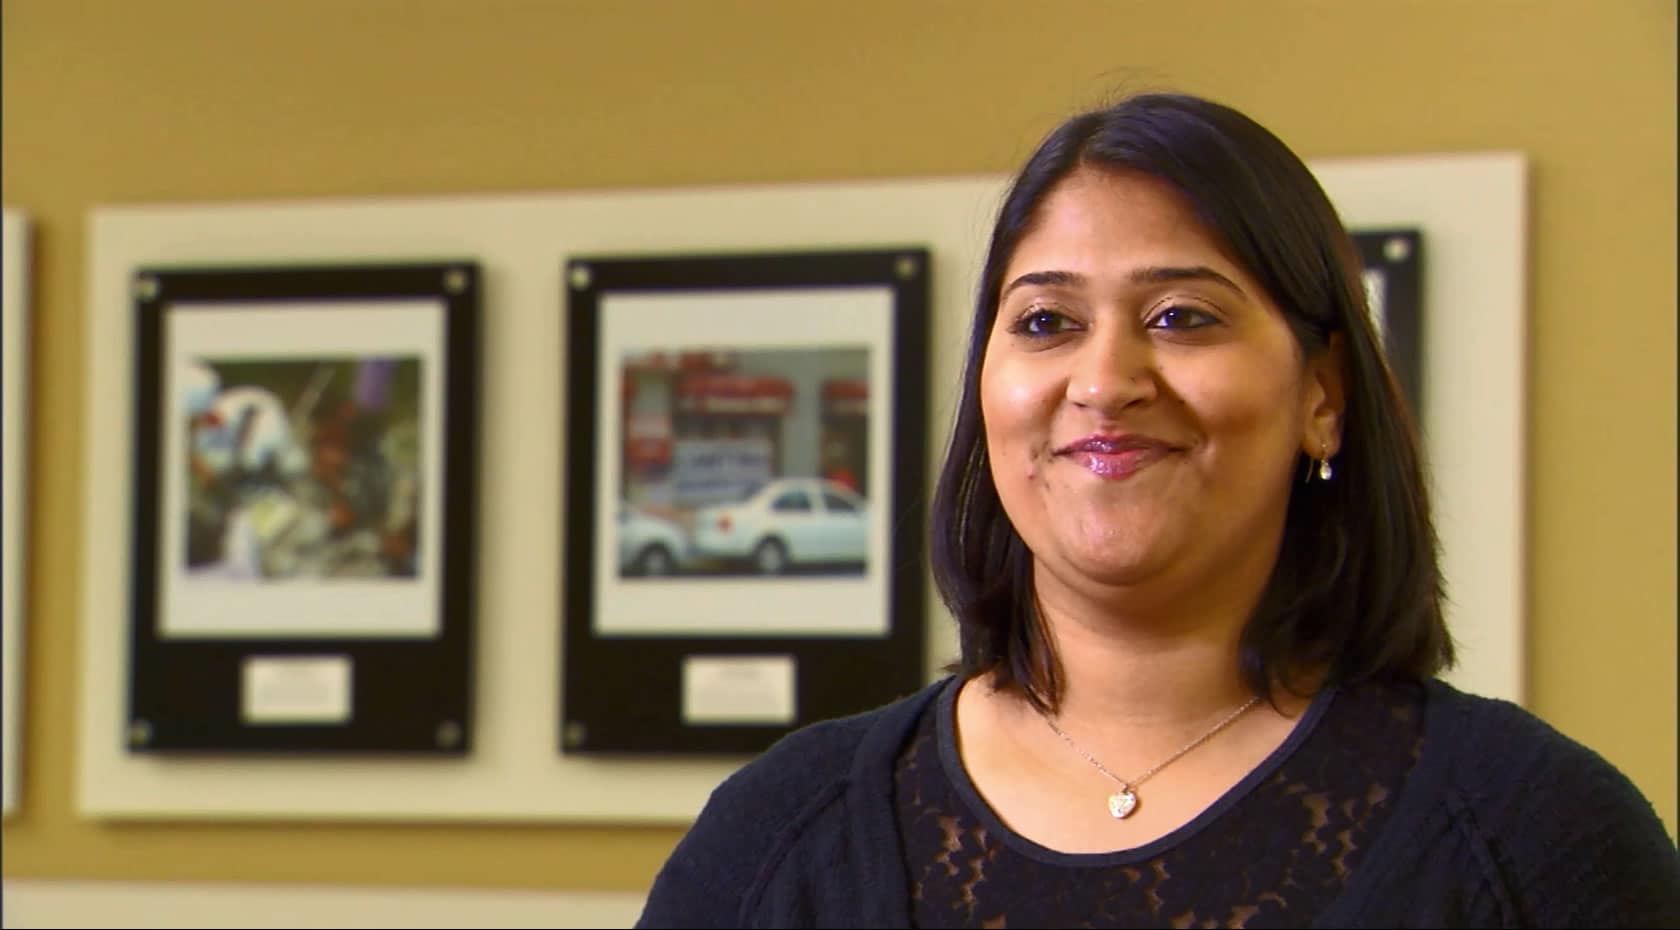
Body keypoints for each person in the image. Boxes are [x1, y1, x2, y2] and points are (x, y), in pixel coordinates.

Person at [635, 92, 1680, 927]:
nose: (1104, 378)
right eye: (1046, 320)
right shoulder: (777, 837)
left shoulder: (1535, 838)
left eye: (1181, 317)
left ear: (1323, 396)